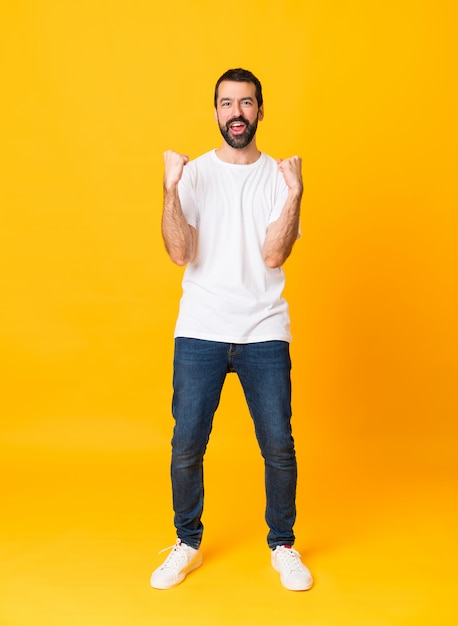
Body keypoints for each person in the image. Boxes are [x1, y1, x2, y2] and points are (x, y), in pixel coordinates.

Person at [150, 68, 313, 592]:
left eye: (246, 103)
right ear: (216, 111)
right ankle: (187, 542)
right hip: (200, 327)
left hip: (264, 327)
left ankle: (283, 544)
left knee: (279, 445)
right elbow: (180, 253)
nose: (236, 112)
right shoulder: (194, 174)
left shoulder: (278, 178)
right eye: (226, 103)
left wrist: (295, 195)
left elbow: (272, 254)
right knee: (186, 444)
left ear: (260, 111)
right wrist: (171, 189)